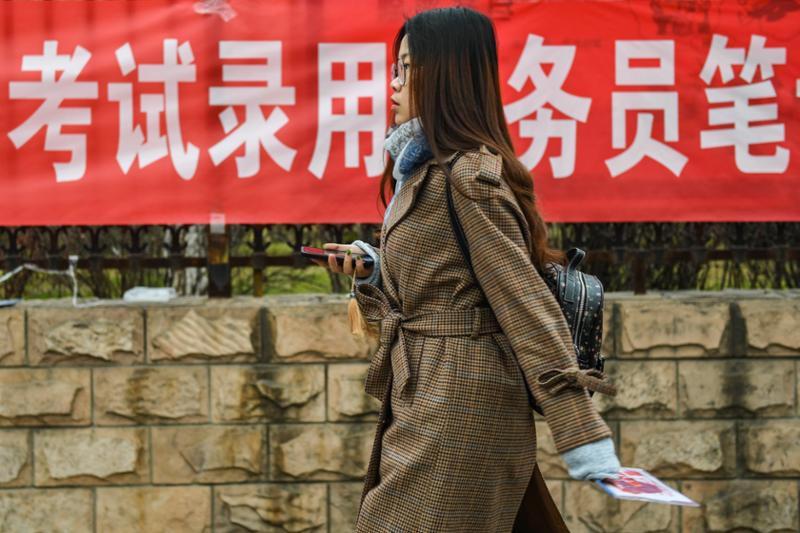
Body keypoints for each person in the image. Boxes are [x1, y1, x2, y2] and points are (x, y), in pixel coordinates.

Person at [311, 6, 621, 532]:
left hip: (461, 404)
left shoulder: (468, 176)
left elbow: (525, 305)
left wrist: (583, 437)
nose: (394, 83)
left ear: (446, 75)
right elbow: (440, 283)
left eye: (407, 68)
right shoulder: (423, 172)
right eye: (395, 68)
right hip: (426, 396)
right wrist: (374, 273)